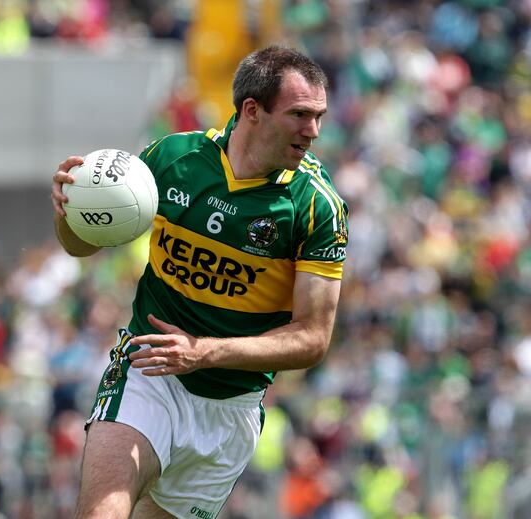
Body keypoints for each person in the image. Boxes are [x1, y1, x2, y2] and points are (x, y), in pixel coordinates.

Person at [50, 45, 348, 519]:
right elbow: (80, 247)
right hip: (148, 375)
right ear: (252, 110)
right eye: (299, 115)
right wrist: (73, 212)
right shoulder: (171, 159)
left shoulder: (317, 207)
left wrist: (204, 351)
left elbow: (313, 339)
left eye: (318, 116)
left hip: (230, 411)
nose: (313, 131)